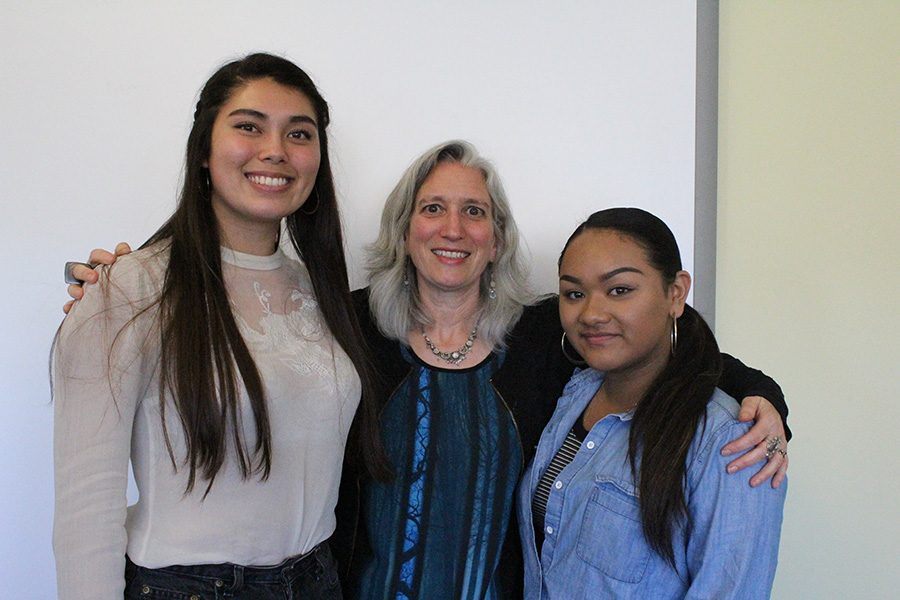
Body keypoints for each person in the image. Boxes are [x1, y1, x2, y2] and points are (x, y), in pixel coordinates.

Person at [65, 141, 790, 599]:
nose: (452, 228)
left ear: (498, 236)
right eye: (432, 208)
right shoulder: (337, 323)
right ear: (403, 229)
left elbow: (657, 343)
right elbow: (241, 321)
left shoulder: (546, 334)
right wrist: (129, 285)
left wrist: (762, 394)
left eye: (473, 211)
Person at [52, 53, 387, 599]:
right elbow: (87, 505)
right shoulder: (128, 290)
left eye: (298, 133)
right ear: (205, 148)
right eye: (248, 126)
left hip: (318, 580)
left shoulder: (321, 295)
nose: (275, 150)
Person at [517, 208, 786, 599]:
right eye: (574, 293)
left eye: (619, 290)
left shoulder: (730, 442)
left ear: (675, 293)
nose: (591, 313)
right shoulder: (574, 391)